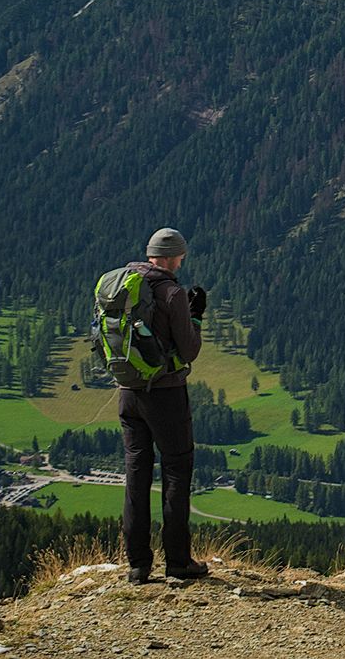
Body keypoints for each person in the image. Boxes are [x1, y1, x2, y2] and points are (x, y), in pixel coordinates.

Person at [118, 226, 207, 585]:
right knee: (175, 469)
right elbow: (189, 351)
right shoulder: (171, 293)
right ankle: (177, 561)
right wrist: (196, 315)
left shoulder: (125, 284)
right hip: (166, 393)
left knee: (136, 472)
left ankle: (138, 564)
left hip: (128, 390)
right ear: (173, 258)